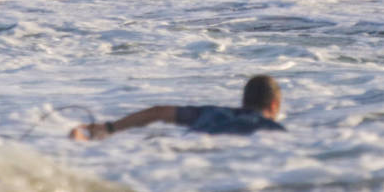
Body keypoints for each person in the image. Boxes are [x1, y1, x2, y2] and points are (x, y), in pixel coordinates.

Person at [69, 75, 285, 140]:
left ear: (244, 100)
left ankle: (82, 140)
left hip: (187, 154)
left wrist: (109, 128)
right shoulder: (273, 134)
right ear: (274, 105)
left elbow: (158, 112)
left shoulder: (213, 113)